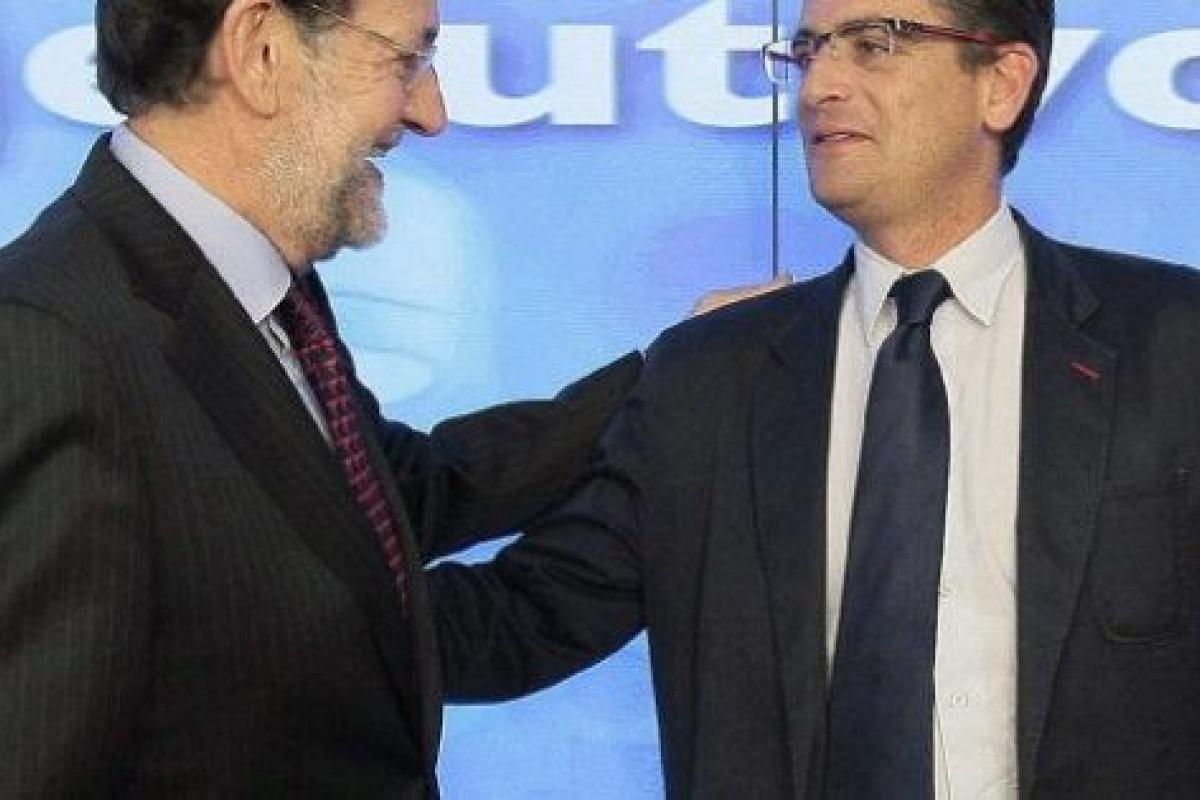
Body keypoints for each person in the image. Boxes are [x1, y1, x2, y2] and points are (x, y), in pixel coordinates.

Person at [431, 0, 1200, 796]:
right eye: (807, 52)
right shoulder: (709, 376)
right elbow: (514, 624)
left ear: (1001, 83)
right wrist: (325, 588)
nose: (818, 87)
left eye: (873, 44)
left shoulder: (1175, 342)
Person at [0, 0, 641, 795]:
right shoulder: (46, 345)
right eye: (405, 60)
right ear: (262, 48)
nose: (431, 112)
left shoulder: (265, 295)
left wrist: (674, 380)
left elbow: (404, 499)